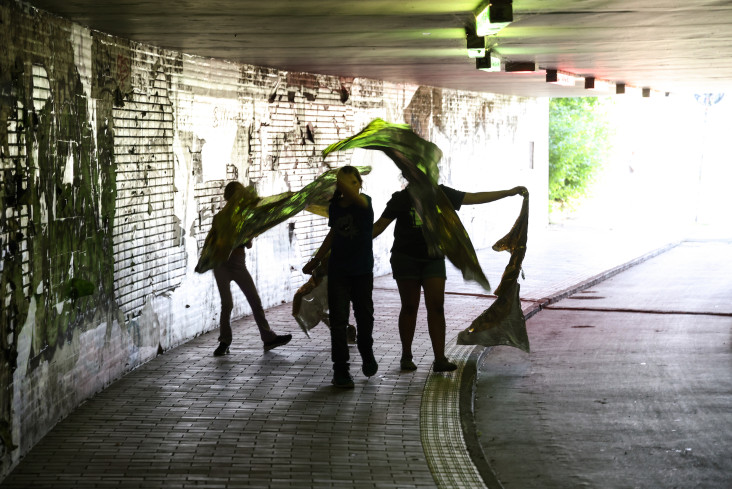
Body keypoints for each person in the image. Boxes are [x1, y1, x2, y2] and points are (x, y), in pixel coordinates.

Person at [372, 182, 527, 372]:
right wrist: (350, 241)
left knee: (436, 306)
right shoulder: (401, 198)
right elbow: (379, 225)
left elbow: (475, 197)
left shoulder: (442, 195)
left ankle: (439, 359)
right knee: (409, 306)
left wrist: (508, 192)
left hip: (433, 259)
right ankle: (406, 356)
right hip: (406, 258)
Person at [303, 166, 376, 388]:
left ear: (359, 184)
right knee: (338, 322)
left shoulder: (366, 202)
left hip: (362, 270)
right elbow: (334, 233)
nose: (349, 187)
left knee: (365, 317)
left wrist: (343, 184)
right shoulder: (335, 206)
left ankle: (366, 350)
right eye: (344, 183)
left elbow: (357, 199)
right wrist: (317, 259)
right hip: (339, 271)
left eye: (353, 182)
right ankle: (341, 370)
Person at [212, 181, 292, 356]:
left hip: (237, 265)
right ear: (231, 198)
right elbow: (217, 243)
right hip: (221, 266)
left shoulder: (243, 218)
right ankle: (224, 341)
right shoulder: (221, 218)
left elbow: (247, 244)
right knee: (228, 304)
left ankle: (267, 337)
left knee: (253, 301)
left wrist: (250, 232)